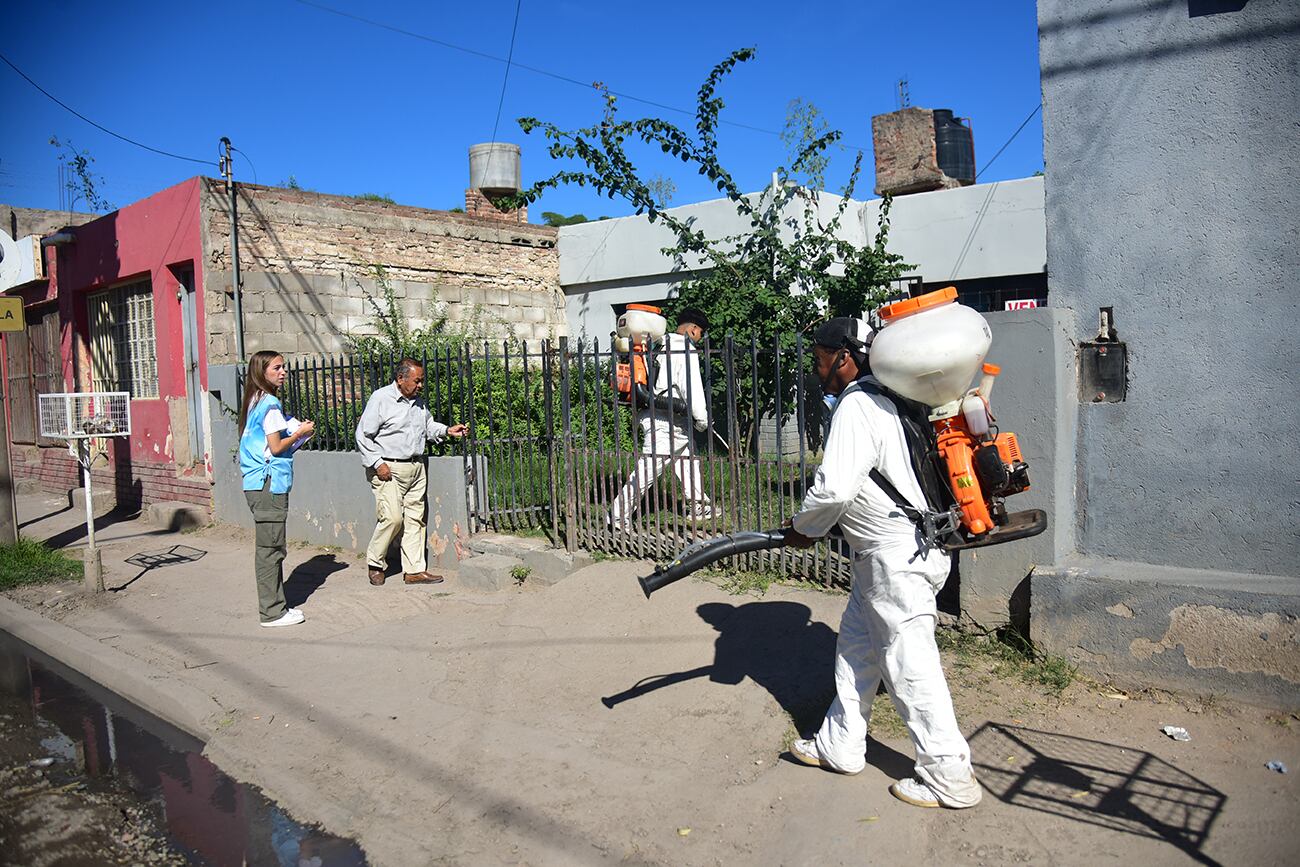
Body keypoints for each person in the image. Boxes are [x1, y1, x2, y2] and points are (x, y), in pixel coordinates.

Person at [783, 317, 982, 810]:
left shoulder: (857, 405)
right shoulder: (895, 401)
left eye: (821, 358)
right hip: (901, 553)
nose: (817, 367)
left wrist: (803, 528)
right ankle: (841, 743)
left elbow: (834, 488)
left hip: (895, 560)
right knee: (856, 647)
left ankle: (949, 776)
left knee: (908, 663)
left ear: (844, 357)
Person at [356, 358, 467, 585]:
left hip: (416, 466)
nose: (420, 386)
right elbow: (363, 435)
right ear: (400, 379)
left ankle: (414, 570)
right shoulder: (381, 399)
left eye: (422, 381)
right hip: (388, 467)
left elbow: (427, 427)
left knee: (416, 519)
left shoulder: (418, 403)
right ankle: (375, 562)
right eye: (416, 381)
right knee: (393, 518)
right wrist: (378, 464)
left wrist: (447, 430)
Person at [609, 307, 714, 528]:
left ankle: (698, 504)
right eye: (700, 333)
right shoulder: (683, 349)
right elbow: (691, 388)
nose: (699, 338)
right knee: (649, 468)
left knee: (687, 458)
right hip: (664, 421)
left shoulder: (658, 343)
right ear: (694, 330)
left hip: (664, 416)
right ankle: (618, 515)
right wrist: (702, 419)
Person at [238, 350, 316, 628]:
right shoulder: (270, 403)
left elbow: (266, 445)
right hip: (268, 484)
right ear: (262, 372)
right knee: (271, 549)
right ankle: (272, 612)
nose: (283, 372)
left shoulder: (255, 400)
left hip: (259, 483)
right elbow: (276, 447)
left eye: (283, 367)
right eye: (277, 368)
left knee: (269, 547)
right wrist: (300, 433)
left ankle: (276, 606)